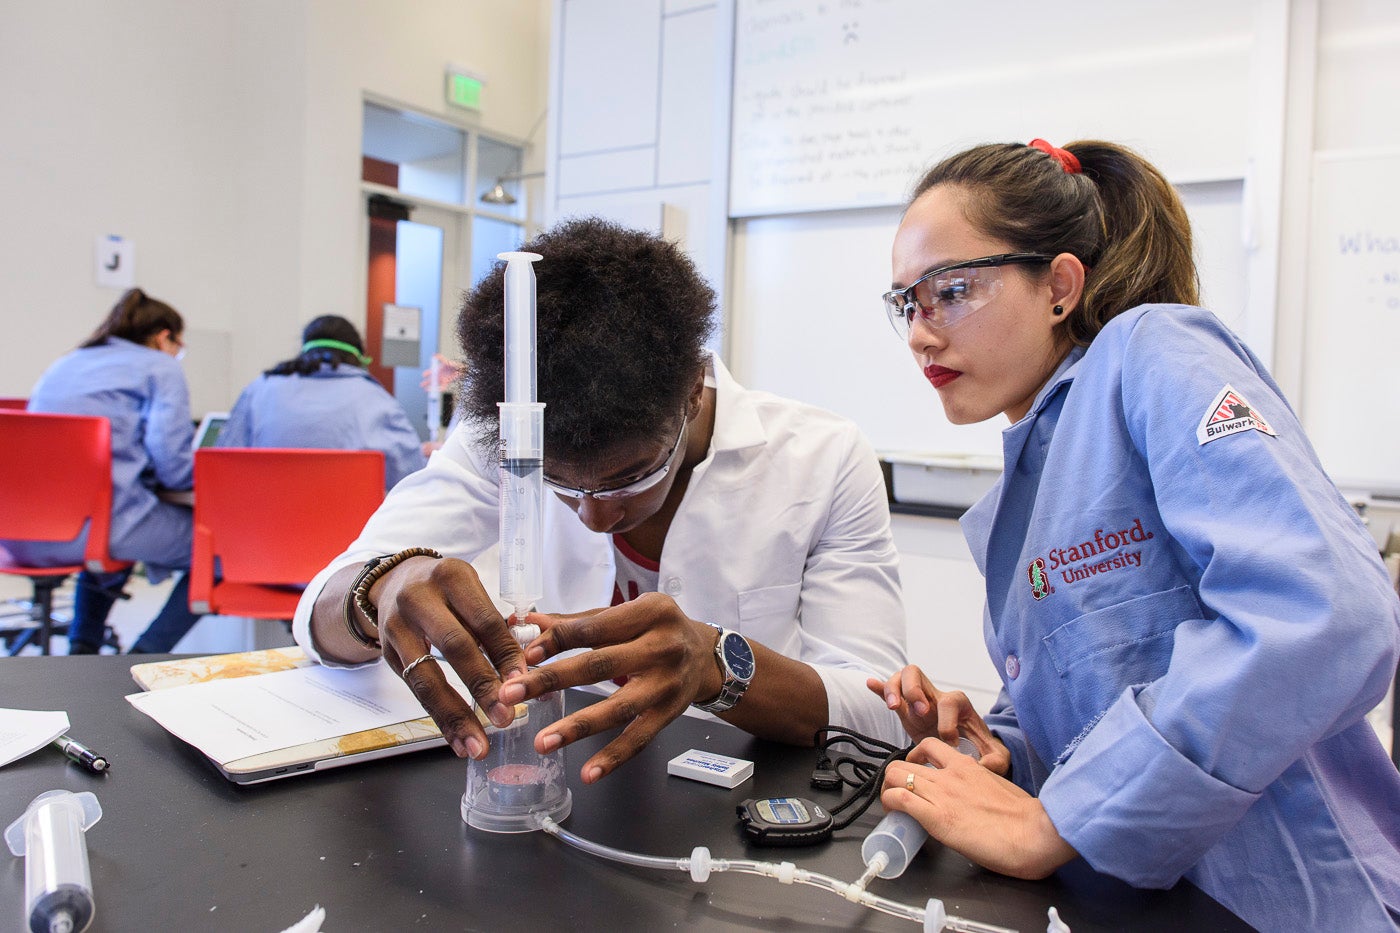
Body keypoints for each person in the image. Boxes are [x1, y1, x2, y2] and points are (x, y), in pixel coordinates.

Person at [867, 139, 1400, 930]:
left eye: (950, 289)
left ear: (1058, 284)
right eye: (907, 302)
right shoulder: (1036, 468)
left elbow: (1324, 617)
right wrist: (1006, 745)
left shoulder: (1155, 349)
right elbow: (1111, 679)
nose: (920, 332)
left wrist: (1057, 821)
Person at [293, 217, 906, 783]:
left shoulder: (822, 460)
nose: (594, 514)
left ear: (693, 390)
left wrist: (717, 666)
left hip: (727, 805)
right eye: (561, 486)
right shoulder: (504, 440)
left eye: (631, 475)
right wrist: (380, 588)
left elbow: (880, 716)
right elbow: (317, 615)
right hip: (557, 788)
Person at [4, 288, 204, 653]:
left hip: (18, 532)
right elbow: (175, 468)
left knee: (115, 527)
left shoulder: (68, 362)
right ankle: (143, 656)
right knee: (218, 547)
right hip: (93, 529)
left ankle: (83, 649)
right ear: (163, 337)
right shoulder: (160, 367)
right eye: (179, 346)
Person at [217, 316, 426, 489]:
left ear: (305, 351)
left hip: (257, 533)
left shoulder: (259, 390)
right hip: (351, 536)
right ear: (358, 358)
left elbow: (221, 466)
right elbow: (414, 483)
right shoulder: (377, 400)